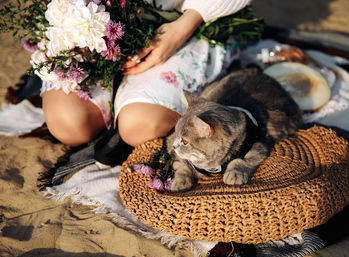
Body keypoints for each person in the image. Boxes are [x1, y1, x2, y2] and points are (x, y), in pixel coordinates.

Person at [41, 0, 251, 147]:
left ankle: (130, 103)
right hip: (96, 16)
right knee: (70, 123)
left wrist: (185, 25)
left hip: (188, 22)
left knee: (139, 125)